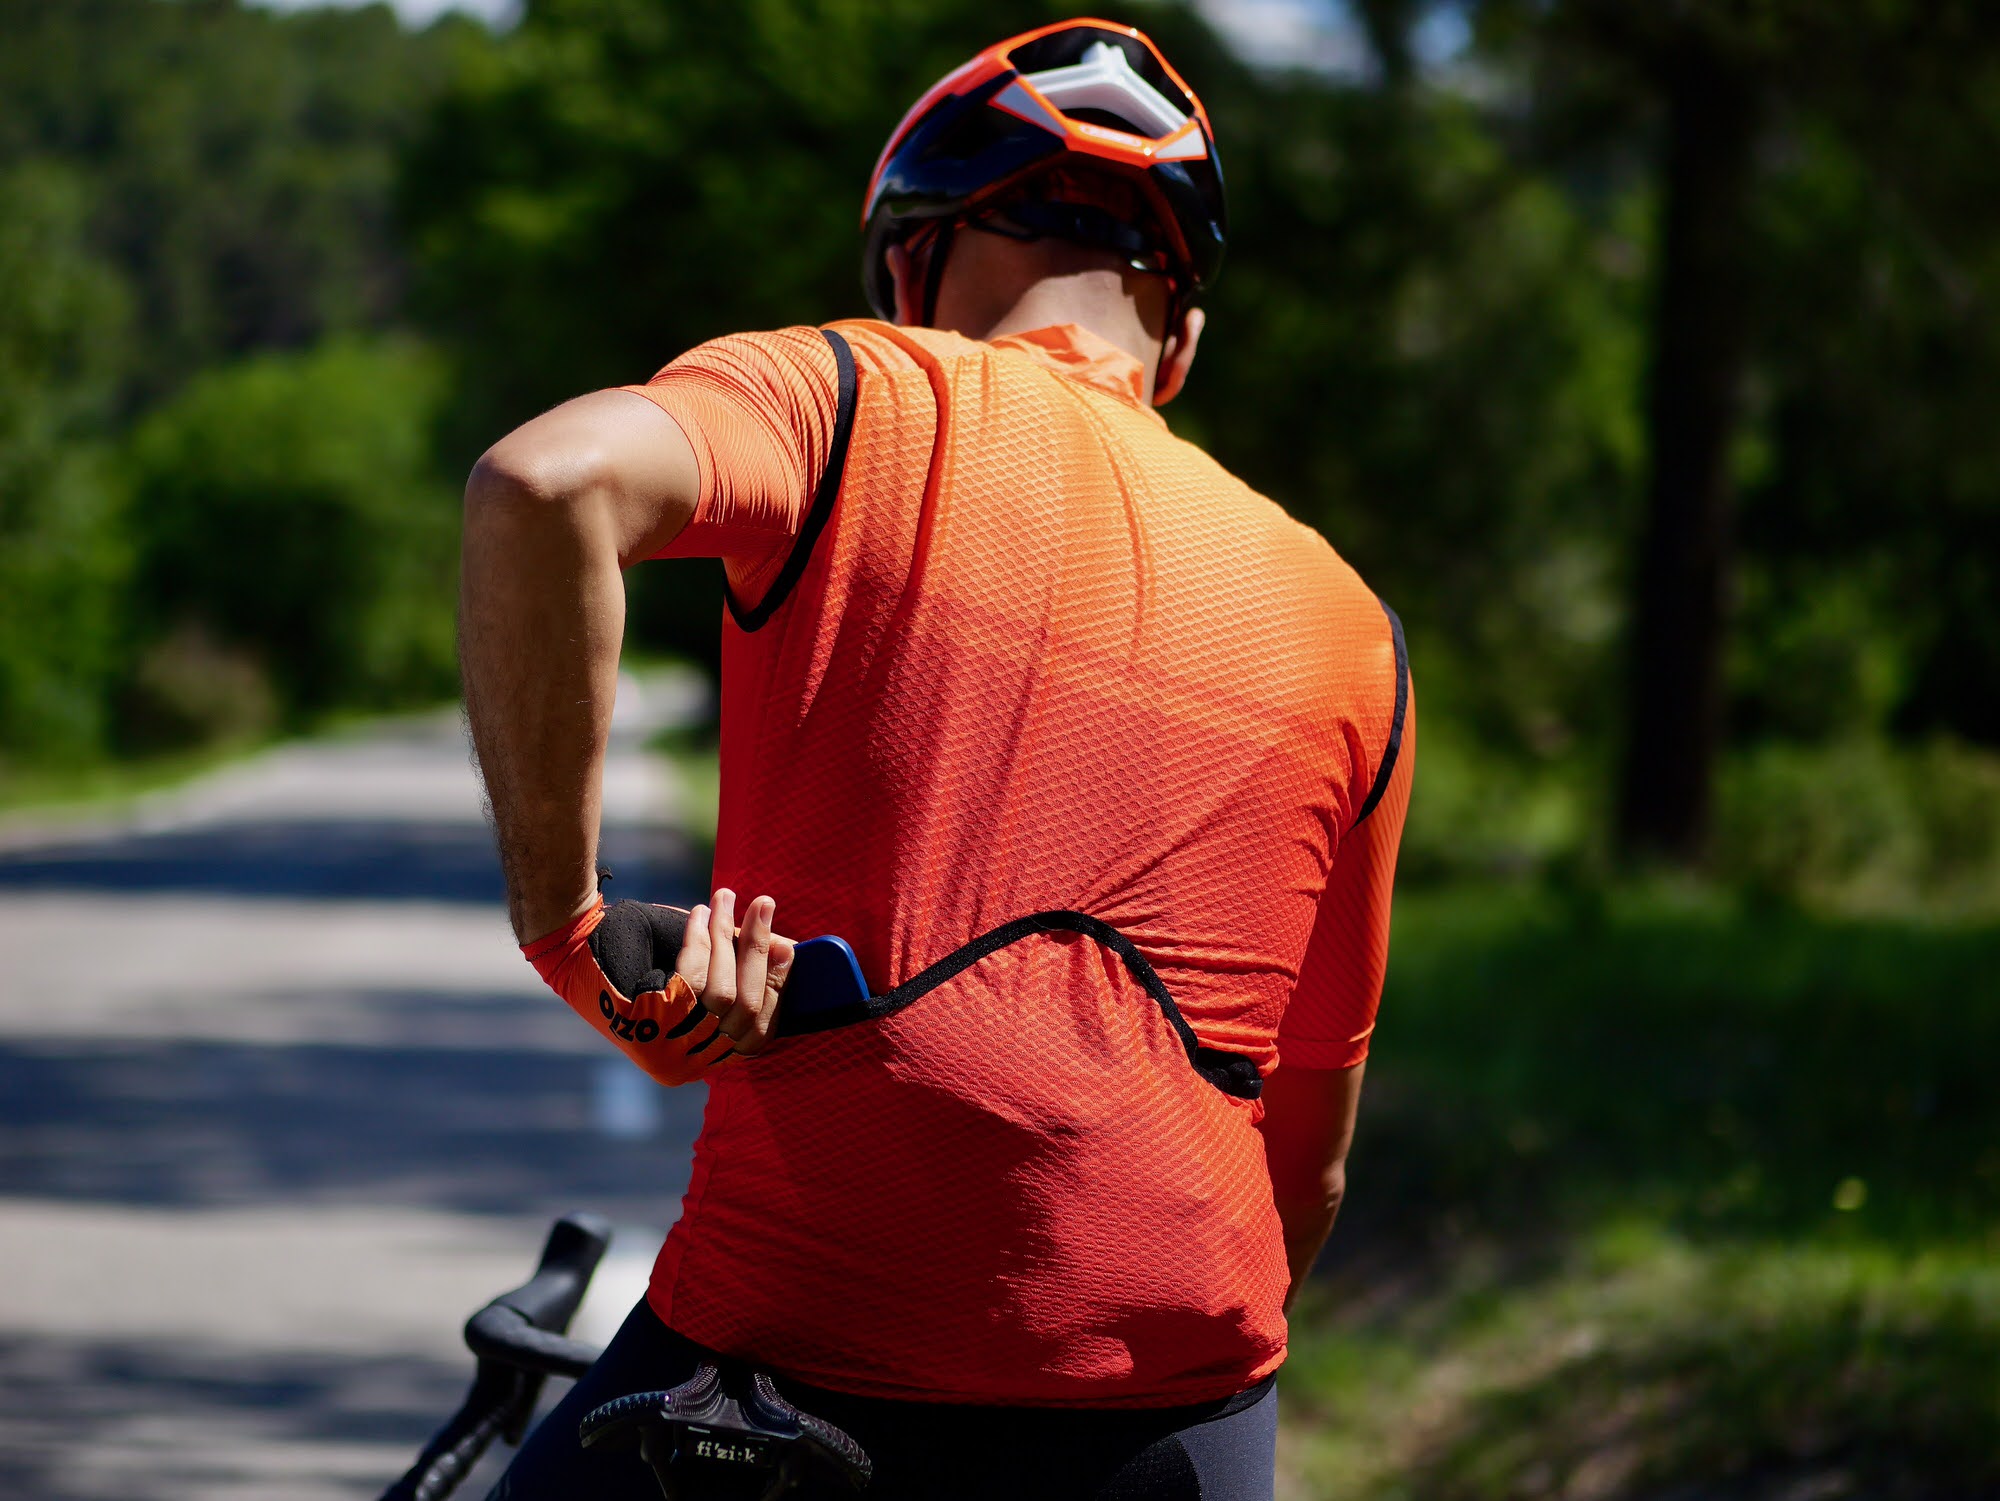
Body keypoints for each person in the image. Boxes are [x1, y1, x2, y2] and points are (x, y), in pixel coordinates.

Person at [459, 20, 1413, 1501]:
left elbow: (543, 484)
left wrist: (571, 931)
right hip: (1175, 1423)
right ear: (1183, 336)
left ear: (915, 260)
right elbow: (1313, 1162)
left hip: (795, 1361)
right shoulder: (1357, 631)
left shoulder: (847, 402)